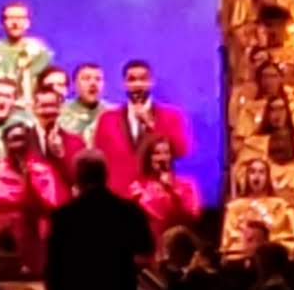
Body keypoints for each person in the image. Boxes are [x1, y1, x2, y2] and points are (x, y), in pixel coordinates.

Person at [45, 152, 153, 290]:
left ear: (77, 177)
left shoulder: (63, 217)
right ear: (105, 175)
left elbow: (53, 269)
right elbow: (145, 252)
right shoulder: (130, 212)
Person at [0, 123, 60, 277]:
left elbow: (54, 208)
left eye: (22, 139)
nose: (18, 145)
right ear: (5, 143)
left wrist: (30, 178)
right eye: (14, 139)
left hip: (35, 243)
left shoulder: (44, 171)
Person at [91, 60, 191, 195]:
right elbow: (98, 160)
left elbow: (181, 150)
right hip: (118, 198)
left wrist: (151, 125)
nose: (138, 85)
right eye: (132, 80)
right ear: (124, 84)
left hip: (158, 198)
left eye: (143, 79)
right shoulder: (108, 119)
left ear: (151, 82)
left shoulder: (172, 116)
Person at [129, 135, 199, 249]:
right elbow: (158, 216)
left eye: (166, 153)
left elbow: (193, 214)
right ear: (148, 157)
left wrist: (172, 190)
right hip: (152, 248)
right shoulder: (138, 189)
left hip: (181, 247)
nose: (162, 158)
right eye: (157, 153)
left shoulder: (186, 186)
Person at [58, 62, 110, 139]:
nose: (93, 83)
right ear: (74, 84)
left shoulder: (112, 113)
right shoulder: (60, 112)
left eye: (98, 79)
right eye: (86, 78)